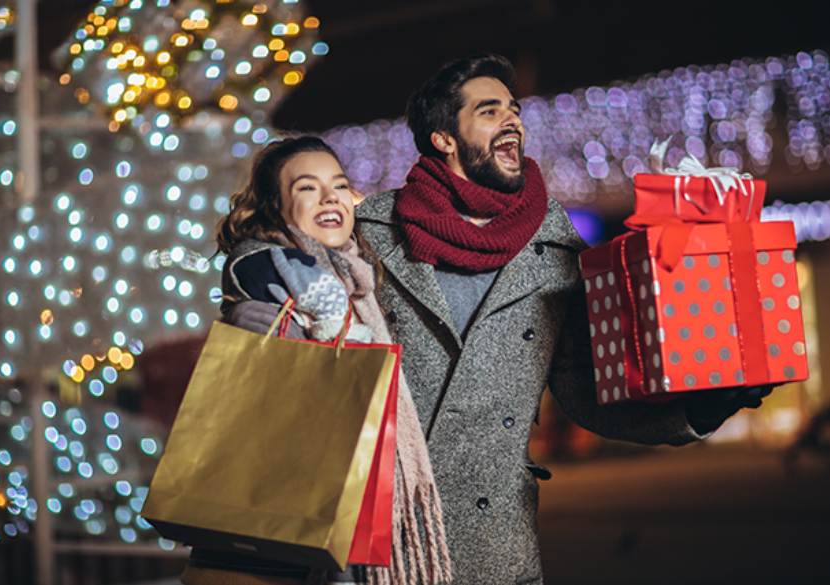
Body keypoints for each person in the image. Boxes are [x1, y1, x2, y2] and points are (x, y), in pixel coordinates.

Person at [347, 54, 773, 584]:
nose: (512, 120)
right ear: (443, 138)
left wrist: (698, 410)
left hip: (496, 546)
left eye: (514, 108)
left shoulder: (552, 245)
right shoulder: (368, 233)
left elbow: (582, 390)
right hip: (378, 538)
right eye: (488, 109)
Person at [183, 136, 452, 585]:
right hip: (270, 535)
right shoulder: (262, 263)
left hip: (340, 516)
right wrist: (347, 330)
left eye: (340, 185)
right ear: (274, 206)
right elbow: (303, 295)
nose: (330, 197)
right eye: (307, 187)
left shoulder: (360, 277)